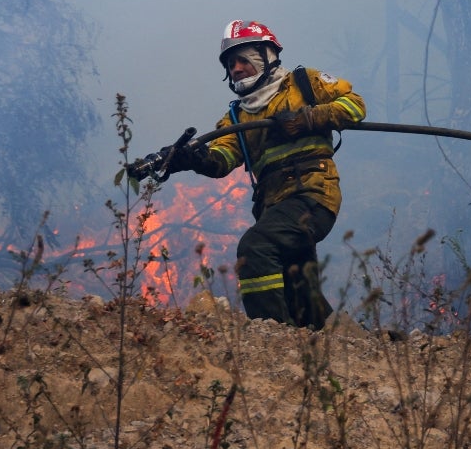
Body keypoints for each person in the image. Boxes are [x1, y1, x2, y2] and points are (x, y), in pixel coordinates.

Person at [141, 20, 365, 330]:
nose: (235, 69)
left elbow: (354, 106)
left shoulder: (304, 83)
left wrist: (307, 119)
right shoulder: (238, 116)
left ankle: (270, 337)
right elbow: (222, 159)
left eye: (243, 59)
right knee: (299, 292)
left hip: (312, 195)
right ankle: (355, 342)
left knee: (255, 248)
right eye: (230, 64)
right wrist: (190, 159)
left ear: (265, 56)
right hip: (274, 208)